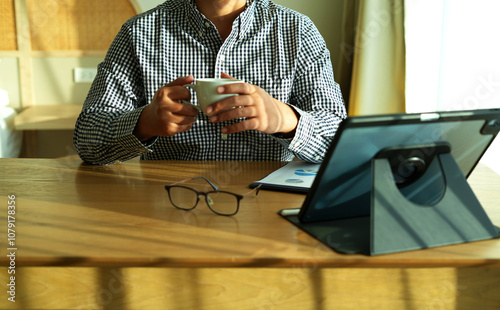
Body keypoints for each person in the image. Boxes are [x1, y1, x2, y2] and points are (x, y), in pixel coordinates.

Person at [73, 0, 347, 165]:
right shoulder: (139, 33)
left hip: (266, 208)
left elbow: (342, 142)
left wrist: (286, 120)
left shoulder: (297, 31)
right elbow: (87, 141)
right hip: (167, 205)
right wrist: (144, 122)